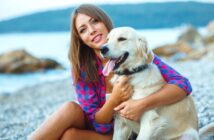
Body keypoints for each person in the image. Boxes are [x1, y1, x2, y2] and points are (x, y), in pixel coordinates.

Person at [29, 4, 192, 140]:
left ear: (105, 22)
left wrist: (141, 104)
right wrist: (114, 99)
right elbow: (98, 123)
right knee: (70, 110)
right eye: (83, 29)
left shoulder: (136, 53)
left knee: (69, 137)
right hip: (106, 129)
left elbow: (182, 84)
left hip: (134, 130)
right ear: (80, 38)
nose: (91, 30)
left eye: (95, 21)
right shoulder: (82, 68)